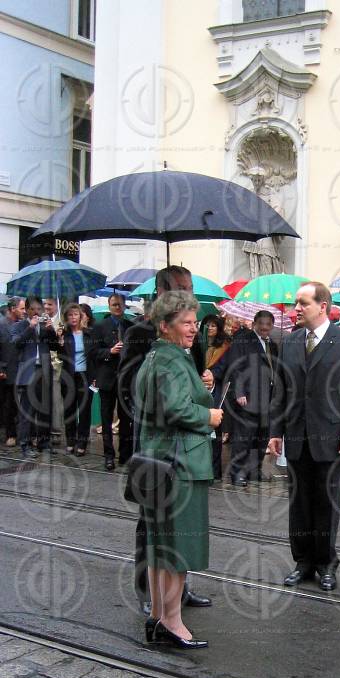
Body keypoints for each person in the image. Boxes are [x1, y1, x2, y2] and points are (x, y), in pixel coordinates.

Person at [120, 265, 212, 615]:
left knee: (181, 525)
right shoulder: (142, 334)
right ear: (161, 289)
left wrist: (204, 380)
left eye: (189, 286)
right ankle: (150, 593)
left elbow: (193, 380)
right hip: (158, 445)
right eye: (180, 287)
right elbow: (131, 390)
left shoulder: (190, 328)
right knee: (154, 524)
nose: (187, 292)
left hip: (185, 444)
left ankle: (179, 590)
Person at [135, 291, 223, 649]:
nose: (194, 329)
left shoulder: (161, 356)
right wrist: (209, 415)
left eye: (194, 322)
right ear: (164, 326)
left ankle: (158, 617)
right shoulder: (170, 360)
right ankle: (172, 624)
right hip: (180, 463)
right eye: (186, 323)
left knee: (160, 545)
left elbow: (171, 398)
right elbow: (176, 409)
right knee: (176, 549)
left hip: (160, 463)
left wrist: (200, 386)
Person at [269, 282, 340, 591]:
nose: (296, 308)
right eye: (297, 303)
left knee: (327, 502)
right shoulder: (290, 342)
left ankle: (326, 562)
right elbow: (280, 390)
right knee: (299, 502)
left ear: (322, 306)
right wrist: (275, 431)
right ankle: (303, 561)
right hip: (297, 436)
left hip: (332, 438)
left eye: (303, 303)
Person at [228, 310, 277, 486]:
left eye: (268, 324)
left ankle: (253, 471)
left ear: (272, 325)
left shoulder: (272, 344)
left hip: (267, 398)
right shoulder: (243, 340)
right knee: (244, 437)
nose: (265, 327)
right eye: (261, 323)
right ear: (255, 323)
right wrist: (239, 392)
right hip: (248, 397)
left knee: (261, 437)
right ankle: (237, 473)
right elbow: (235, 366)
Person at [10, 296, 59, 459]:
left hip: (44, 371)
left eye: (40, 309)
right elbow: (16, 343)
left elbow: (55, 347)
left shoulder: (45, 326)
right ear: (28, 310)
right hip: (28, 372)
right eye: (34, 309)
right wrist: (30, 328)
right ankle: (25, 445)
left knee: (45, 409)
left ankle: (44, 443)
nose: (37, 312)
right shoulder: (19, 326)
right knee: (27, 412)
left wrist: (52, 331)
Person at [93, 294, 133, 470]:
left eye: (119, 305)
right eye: (114, 305)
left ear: (124, 307)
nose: (117, 308)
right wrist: (110, 351)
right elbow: (93, 352)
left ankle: (125, 455)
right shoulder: (100, 326)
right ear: (109, 306)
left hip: (125, 380)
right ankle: (108, 455)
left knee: (125, 419)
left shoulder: (130, 326)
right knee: (106, 418)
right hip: (106, 378)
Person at [56, 303, 96, 456]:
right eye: (70, 315)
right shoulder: (63, 334)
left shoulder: (89, 334)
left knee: (84, 411)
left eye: (76, 314)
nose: (73, 317)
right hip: (68, 377)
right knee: (69, 410)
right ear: (66, 317)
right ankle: (71, 441)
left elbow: (94, 357)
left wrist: (95, 378)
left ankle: (82, 443)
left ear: (81, 316)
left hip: (85, 376)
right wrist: (59, 343)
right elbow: (59, 356)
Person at [198, 314, 231, 481]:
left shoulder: (224, 346)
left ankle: (215, 470)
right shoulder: (197, 345)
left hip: (216, 391)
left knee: (215, 431)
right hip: (198, 390)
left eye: (213, 326)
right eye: (207, 325)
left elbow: (225, 367)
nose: (210, 328)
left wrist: (212, 374)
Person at [0, 297, 25, 446]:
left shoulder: (24, 324)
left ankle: (22, 433)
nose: (24, 311)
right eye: (21, 308)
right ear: (12, 309)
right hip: (7, 371)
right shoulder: (2, 325)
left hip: (23, 369)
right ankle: (11, 434)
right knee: (8, 403)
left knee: (20, 404)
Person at [44, 299, 64, 447]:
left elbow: (60, 345)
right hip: (42, 366)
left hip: (56, 366)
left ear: (56, 305)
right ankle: (43, 431)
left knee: (56, 399)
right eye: (45, 304)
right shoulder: (42, 320)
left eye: (49, 304)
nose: (46, 307)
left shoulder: (61, 322)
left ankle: (56, 431)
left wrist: (57, 333)